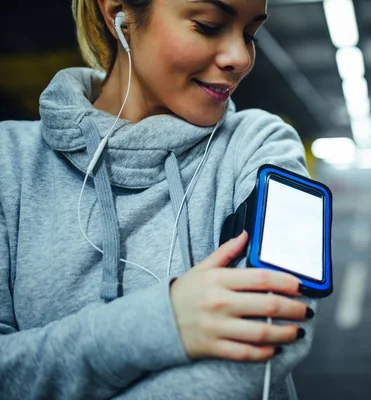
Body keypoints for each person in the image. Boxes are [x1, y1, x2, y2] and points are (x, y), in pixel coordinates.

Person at [0, 0, 318, 398]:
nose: (241, 57)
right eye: (208, 25)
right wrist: (162, 322)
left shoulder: (263, 146)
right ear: (120, 14)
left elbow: (268, 333)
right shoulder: (7, 161)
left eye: (250, 34)